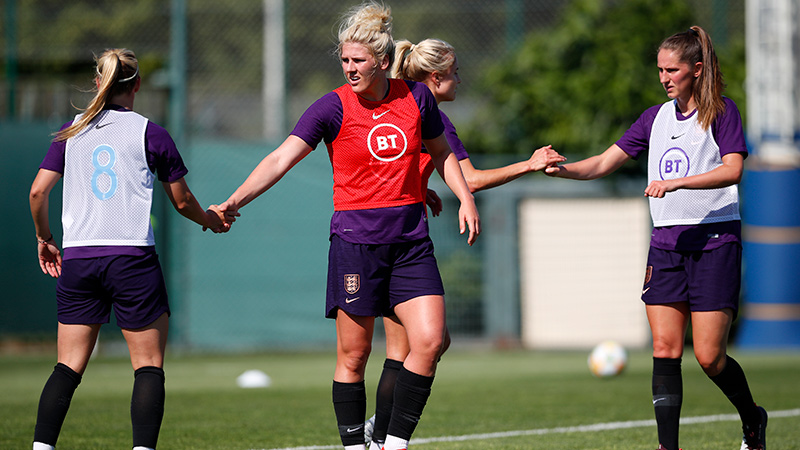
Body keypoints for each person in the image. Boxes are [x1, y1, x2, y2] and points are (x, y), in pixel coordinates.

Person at [215, 3, 479, 450]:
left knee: (431, 342)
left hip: (411, 242)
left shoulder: (414, 98)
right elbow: (281, 158)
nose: (349, 68)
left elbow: (442, 153)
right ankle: (356, 446)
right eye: (344, 60)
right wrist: (235, 200)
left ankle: (393, 444)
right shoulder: (331, 107)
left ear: (380, 59)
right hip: (356, 244)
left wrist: (465, 198)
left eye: (357, 60)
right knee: (354, 356)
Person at [544, 26, 767, 450]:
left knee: (708, 357)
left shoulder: (721, 111)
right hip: (666, 245)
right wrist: (563, 168)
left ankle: (752, 419)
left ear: (697, 70)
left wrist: (679, 183)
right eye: (660, 69)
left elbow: (733, 169)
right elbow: (603, 162)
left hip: (714, 242)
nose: (664, 78)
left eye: (673, 70)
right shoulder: (654, 117)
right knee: (665, 347)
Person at [363, 38, 566, 450]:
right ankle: (381, 434)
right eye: (455, 72)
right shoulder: (427, 109)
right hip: (394, 241)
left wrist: (420, 189)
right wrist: (529, 164)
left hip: (382, 233)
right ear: (435, 78)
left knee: (413, 347)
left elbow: (388, 161)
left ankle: (379, 431)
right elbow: (469, 178)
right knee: (419, 345)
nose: (460, 79)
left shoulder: (399, 102)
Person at [29, 48, 229, 450]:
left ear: (98, 83)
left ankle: (41, 447)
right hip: (131, 258)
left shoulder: (72, 131)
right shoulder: (150, 132)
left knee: (67, 366)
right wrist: (210, 220)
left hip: (81, 259)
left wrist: (45, 238)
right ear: (137, 85)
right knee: (148, 367)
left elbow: (37, 192)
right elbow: (183, 201)